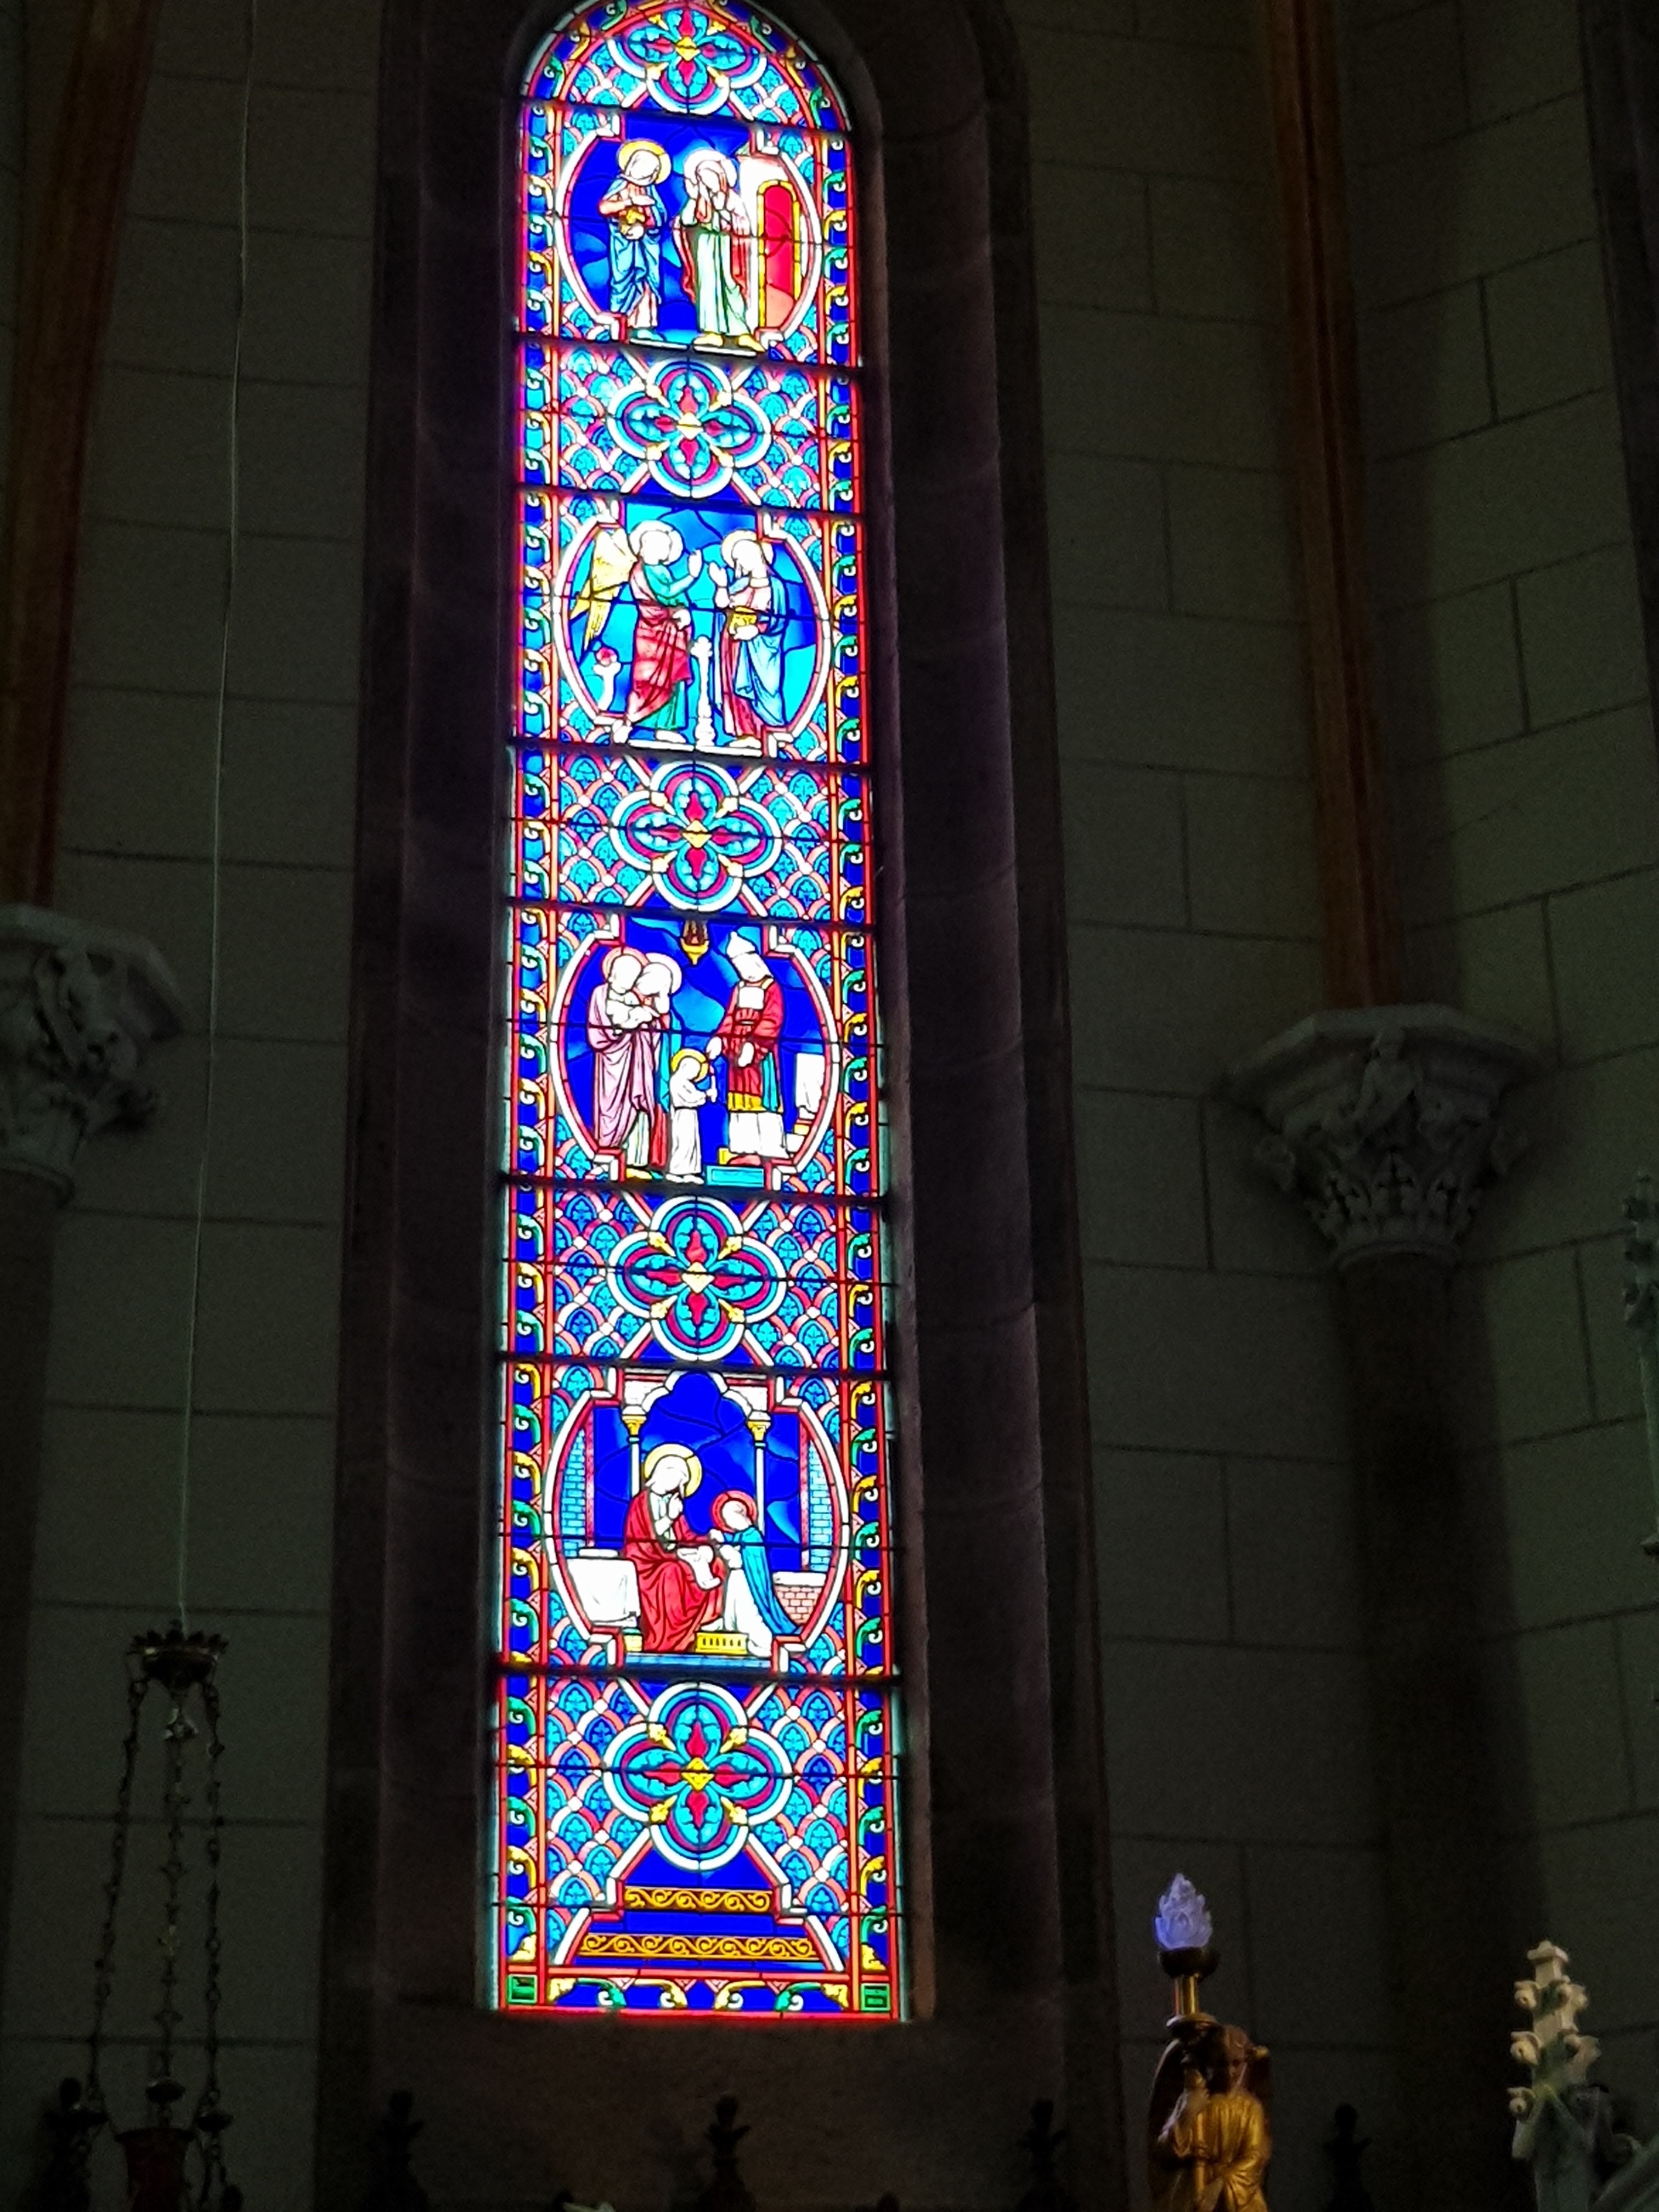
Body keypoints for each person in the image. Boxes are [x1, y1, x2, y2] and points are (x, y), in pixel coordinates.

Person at [1154, 2024, 1270, 2212]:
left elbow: (1254, 2158)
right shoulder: (1196, 2099)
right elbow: (1165, 2150)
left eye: (1236, 2064)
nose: (1229, 2072)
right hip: (1194, 2193)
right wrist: (1188, 2113)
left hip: (1238, 2201)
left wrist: (1220, 2185)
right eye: (1222, 2063)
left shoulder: (1250, 2108)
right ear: (1211, 2062)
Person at [622, 1446, 724, 1652]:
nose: (677, 1484)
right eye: (676, 1478)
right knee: (672, 1572)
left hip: (673, 1555)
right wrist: (669, 1517)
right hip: (648, 1562)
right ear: (662, 1472)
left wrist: (707, 1541)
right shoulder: (640, 1503)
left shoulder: (673, 1503)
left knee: (718, 1564)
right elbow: (642, 1539)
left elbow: (686, 1536)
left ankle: (707, 1621)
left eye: (681, 1481)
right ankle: (665, 1639)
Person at [707, 933, 787, 1161]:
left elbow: (773, 1020)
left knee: (763, 1101)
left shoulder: (771, 987)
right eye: (738, 966)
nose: (743, 970)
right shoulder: (739, 989)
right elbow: (730, 1019)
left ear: (755, 960)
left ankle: (770, 1148)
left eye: (745, 964)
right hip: (736, 1051)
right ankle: (744, 1150)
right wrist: (720, 1039)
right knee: (738, 1102)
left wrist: (754, 1046)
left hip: (760, 1056)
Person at [673, 149, 758, 351]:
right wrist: (698, 202)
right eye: (702, 178)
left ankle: (741, 332)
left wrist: (724, 212)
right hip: (705, 248)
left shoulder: (733, 200)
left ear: (721, 177)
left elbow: (742, 224)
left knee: (732, 286)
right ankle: (712, 332)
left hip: (729, 248)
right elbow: (686, 220)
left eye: (710, 176)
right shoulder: (696, 201)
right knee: (708, 287)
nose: (707, 181)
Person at [624, 521, 700, 735]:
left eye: (667, 546)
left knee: (673, 677)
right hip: (652, 634)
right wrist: (692, 576)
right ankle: (648, 721)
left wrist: (683, 612)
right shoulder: (642, 570)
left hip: (672, 633)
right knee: (650, 678)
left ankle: (668, 727)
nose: (665, 550)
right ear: (644, 546)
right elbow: (666, 592)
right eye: (661, 545)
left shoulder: (661, 570)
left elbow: (675, 599)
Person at [586, 946, 659, 1167]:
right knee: (609, 1110)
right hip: (611, 1063)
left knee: (638, 1105)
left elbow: (649, 1030)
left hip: (636, 1064)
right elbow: (598, 1032)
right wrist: (625, 1025)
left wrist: (647, 1022)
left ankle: (637, 1161)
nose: (630, 981)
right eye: (626, 975)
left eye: (634, 977)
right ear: (613, 973)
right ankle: (607, 1156)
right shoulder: (599, 994)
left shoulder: (633, 999)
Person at [712, 530, 786, 746]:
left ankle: (766, 732)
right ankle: (745, 734)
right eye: (739, 558)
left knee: (765, 689)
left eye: (747, 553)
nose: (744, 560)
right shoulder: (738, 586)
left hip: (761, 648)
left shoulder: (776, 586)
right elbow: (722, 605)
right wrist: (721, 586)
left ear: (760, 553)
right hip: (734, 645)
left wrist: (757, 629)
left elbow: (780, 619)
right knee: (734, 685)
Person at [709, 1491, 796, 1660]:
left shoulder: (753, 1537)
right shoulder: (739, 1536)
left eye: (728, 1518)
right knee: (732, 1611)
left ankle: (761, 1644)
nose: (727, 1523)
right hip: (736, 1580)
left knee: (747, 1612)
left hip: (747, 1583)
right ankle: (732, 1633)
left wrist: (721, 1544)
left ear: (741, 1515)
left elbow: (738, 1561)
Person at [596, 140, 669, 338]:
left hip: (646, 247)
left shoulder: (650, 191)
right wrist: (630, 202)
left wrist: (645, 224)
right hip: (624, 245)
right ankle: (621, 322)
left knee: (646, 284)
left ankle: (644, 326)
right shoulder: (620, 186)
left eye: (653, 170)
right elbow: (604, 208)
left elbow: (660, 218)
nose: (649, 173)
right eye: (645, 167)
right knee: (623, 280)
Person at [666, 1048, 710, 1181]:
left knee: (692, 1144)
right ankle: (674, 1172)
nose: (695, 1076)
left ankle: (690, 1172)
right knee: (683, 1143)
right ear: (685, 1067)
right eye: (694, 1071)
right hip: (682, 1114)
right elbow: (687, 1098)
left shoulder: (688, 1083)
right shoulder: (676, 1080)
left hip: (691, 1114)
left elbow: (697, 1099)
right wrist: (705, 1094)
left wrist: (703, 1096)